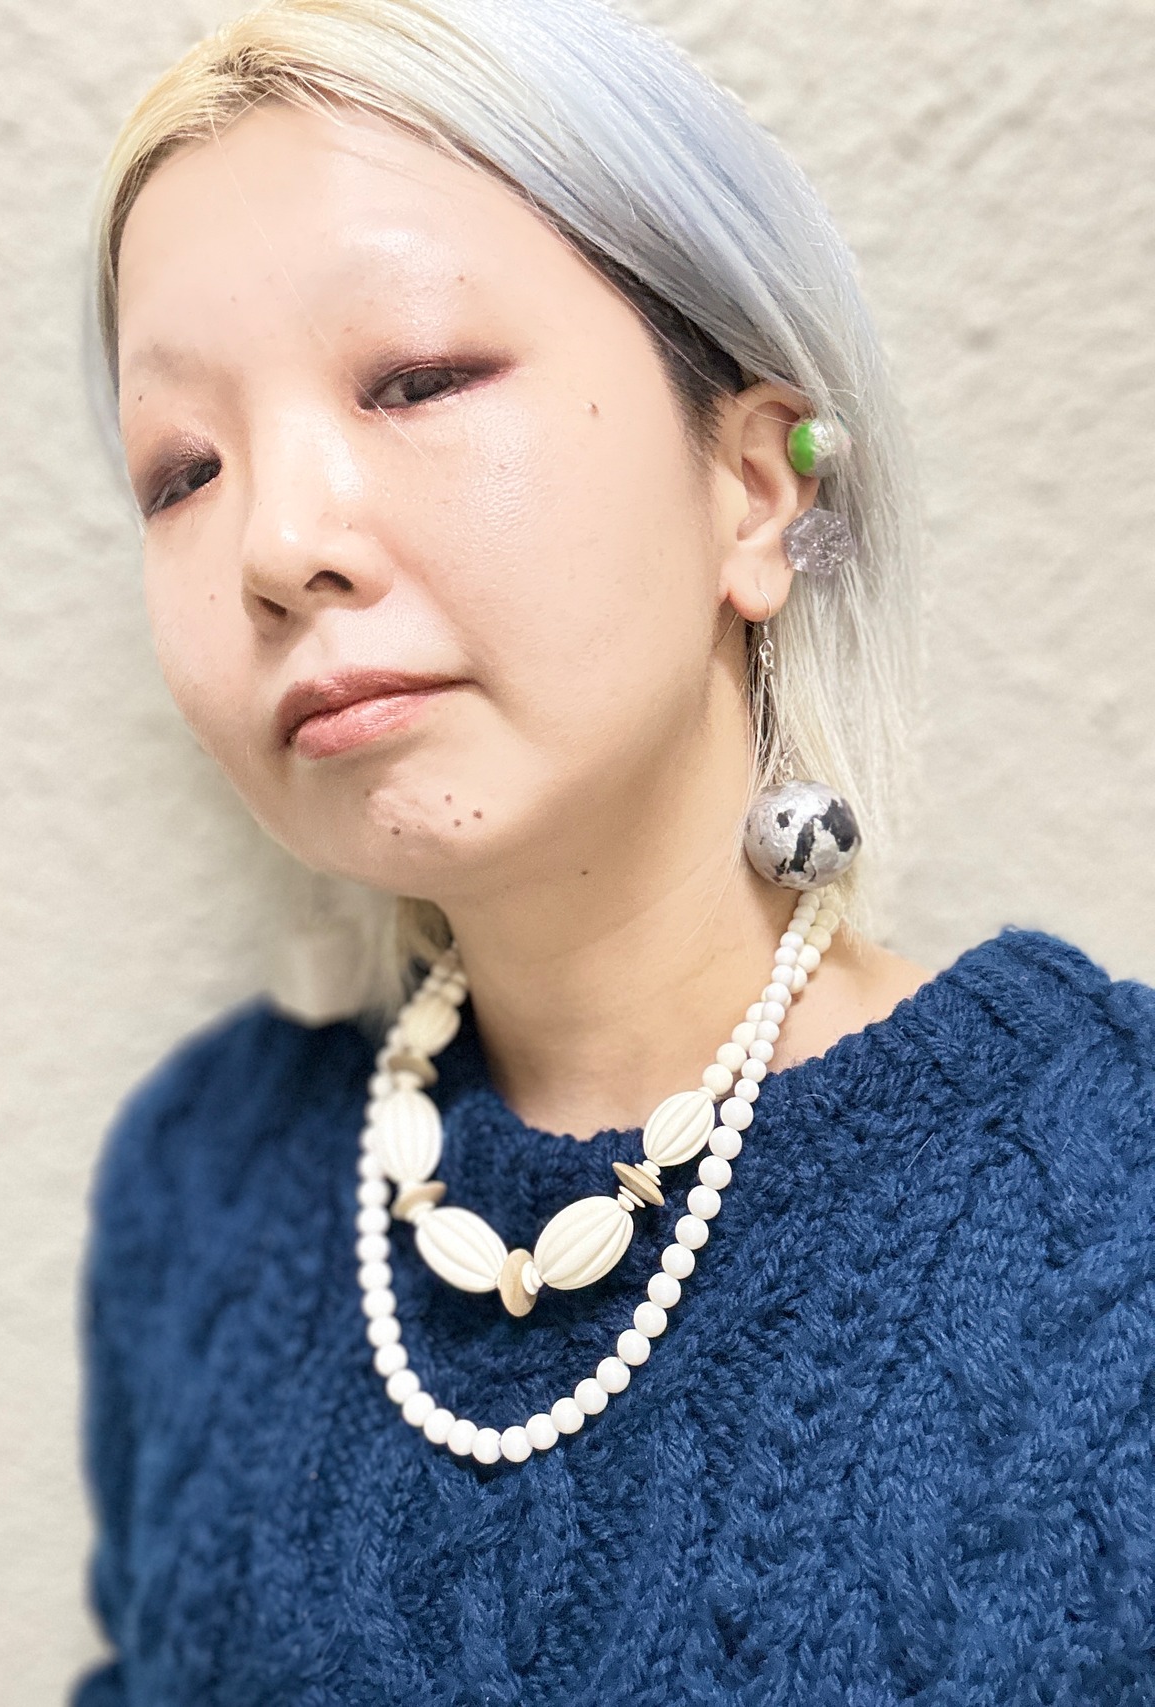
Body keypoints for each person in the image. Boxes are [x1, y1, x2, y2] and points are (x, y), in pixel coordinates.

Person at [72, 0, 1155, 1699]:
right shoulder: (204, 1186)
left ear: (754, 488)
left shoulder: (1113, 1193)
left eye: (416, 379)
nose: (277, 543)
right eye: (182, 469)